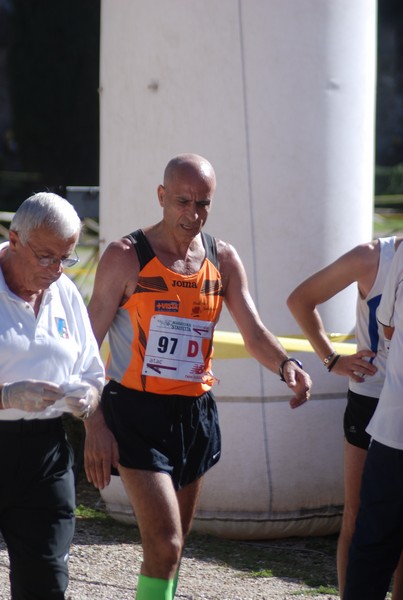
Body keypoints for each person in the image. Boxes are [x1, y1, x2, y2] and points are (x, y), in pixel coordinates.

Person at [83, 153, 312, 600]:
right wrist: (93, 423)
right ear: (162, 197)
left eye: (203, 203)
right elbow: (86, 345)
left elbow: (253, 331)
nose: (193, 214)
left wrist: (287, 364)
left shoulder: (222, 259)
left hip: (194, 413)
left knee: (173, 549)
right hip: (134, 412)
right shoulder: (125, 256)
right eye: (183, 201)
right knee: (165, 543)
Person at [0, 192, 105, 599]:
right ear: (14, 239)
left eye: (65, 258)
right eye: (46, 257)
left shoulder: (64, 292)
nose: (56, 270)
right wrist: (7, 396)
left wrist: (88, 400)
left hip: (45, 452)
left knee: (46, 583)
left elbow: (93, 373)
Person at [286, 237, 403, 599]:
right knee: (358, 515)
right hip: (371, 395)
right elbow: (300, 300)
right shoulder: (374, 256)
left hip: (394, 401)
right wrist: (332, 360)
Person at [344, 240, 403, 599]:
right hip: (388, 424)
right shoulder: (382, 254)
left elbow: (389, 330)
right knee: (366, 535)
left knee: (371, 545)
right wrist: (330, 358)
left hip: (393, 428)